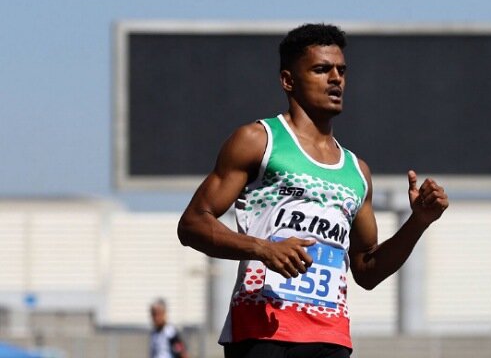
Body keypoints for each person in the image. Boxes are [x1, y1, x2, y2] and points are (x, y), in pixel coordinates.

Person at [178, 23, 449, 358]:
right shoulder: (259, 141)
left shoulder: (357, 172)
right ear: (288, 80)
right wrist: (263, 249)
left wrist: (418, 221)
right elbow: (192, 224)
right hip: (262, 333)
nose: (336, 79)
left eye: (341, 70)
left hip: (330, 339)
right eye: (321, 70)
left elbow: (367, 270)